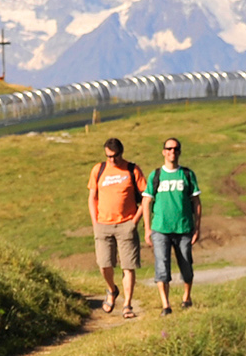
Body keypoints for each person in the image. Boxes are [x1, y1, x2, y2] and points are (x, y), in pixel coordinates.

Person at [87, 135, 144, 319]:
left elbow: (146, 197)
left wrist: (134, 221)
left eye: (115, 156)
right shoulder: (99, 169)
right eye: (109, 156)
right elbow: (92, 196)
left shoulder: (132, 169)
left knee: (128, 266)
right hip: (103, 224)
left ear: (121, 153)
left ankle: (127, 305)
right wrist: (95, 221)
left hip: (126, 224)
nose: (112, 160)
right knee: (104, 265)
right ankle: (112, 290)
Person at [144, 135, 203, 313]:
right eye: (169, 149)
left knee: (186, 263)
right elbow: (146, 202)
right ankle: (166, 305)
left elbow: (196, 202)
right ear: (163, 152)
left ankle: (187, 297)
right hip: (160, 229)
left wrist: (197, 227)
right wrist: (147, 229)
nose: (172, 152)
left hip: (184, 228)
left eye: (175, 149)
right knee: (162, 265)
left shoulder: (187, 174)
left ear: (179, 152)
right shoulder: (156, 175)